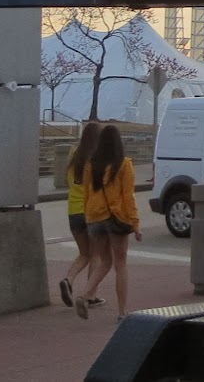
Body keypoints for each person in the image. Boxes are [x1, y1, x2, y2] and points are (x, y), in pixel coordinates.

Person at [78, 124, 140, 319]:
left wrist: (87, 216)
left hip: (94, 216)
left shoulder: (91, 164)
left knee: (104, 261)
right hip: (116, 217)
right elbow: (128, 197)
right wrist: (135, 224)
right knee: (120, 264)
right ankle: (122, 311)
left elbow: (87, 193)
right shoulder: (124, 164)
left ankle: (85, 294)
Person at [57, 121, 101, 308]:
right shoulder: (96, 159)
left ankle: (68, 279)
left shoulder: (73, 155)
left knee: (84, 253)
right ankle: (90, 295)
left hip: (73, 212)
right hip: (91, 212)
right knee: (97, 254)